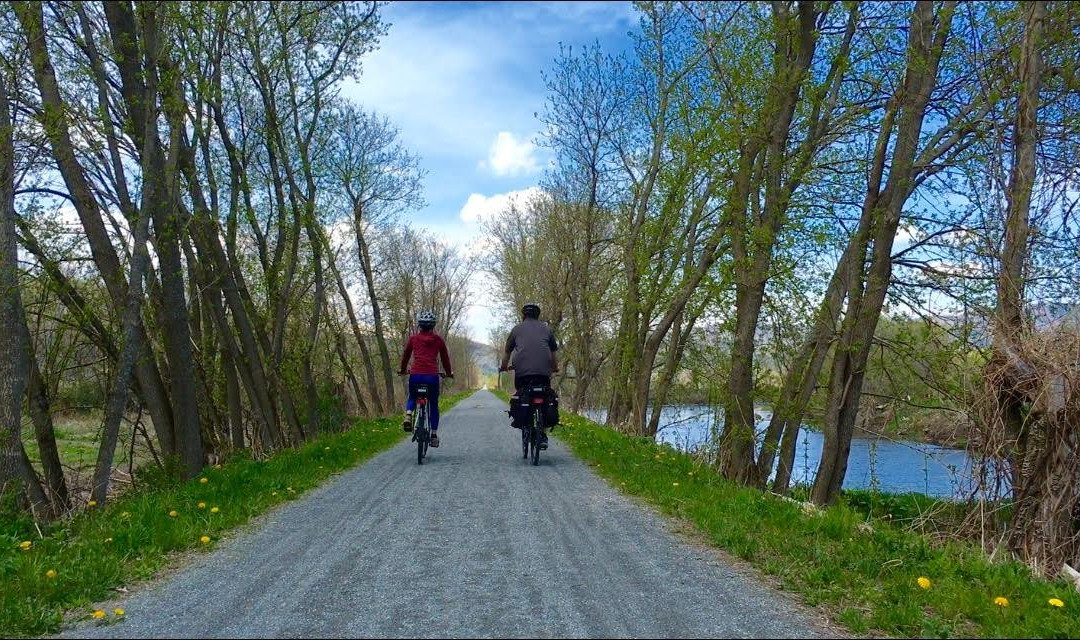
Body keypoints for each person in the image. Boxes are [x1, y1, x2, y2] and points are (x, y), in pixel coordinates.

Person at [498, 302, 558, 449]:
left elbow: (507, 352)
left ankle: (526, 422)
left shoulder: (516, 330)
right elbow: (554, 354)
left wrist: (504, 367)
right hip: (543, 373)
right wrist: (554, 368)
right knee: (544, 395)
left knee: (522, 392)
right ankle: (542, 434)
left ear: (523, 315)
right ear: (538, 316)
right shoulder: (547, 330)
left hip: (522, 374)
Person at [398, 310, 453, 447]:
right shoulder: (438, 340)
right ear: (433, 325)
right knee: (433, 404)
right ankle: (433, 435)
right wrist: (449, 373)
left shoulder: (413, 339)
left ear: (420, 325)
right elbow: (445, 359)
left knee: (412, 396)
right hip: (432, 377)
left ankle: (409, 414)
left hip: (415, 375)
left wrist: (403, 370)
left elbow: (405, 356)